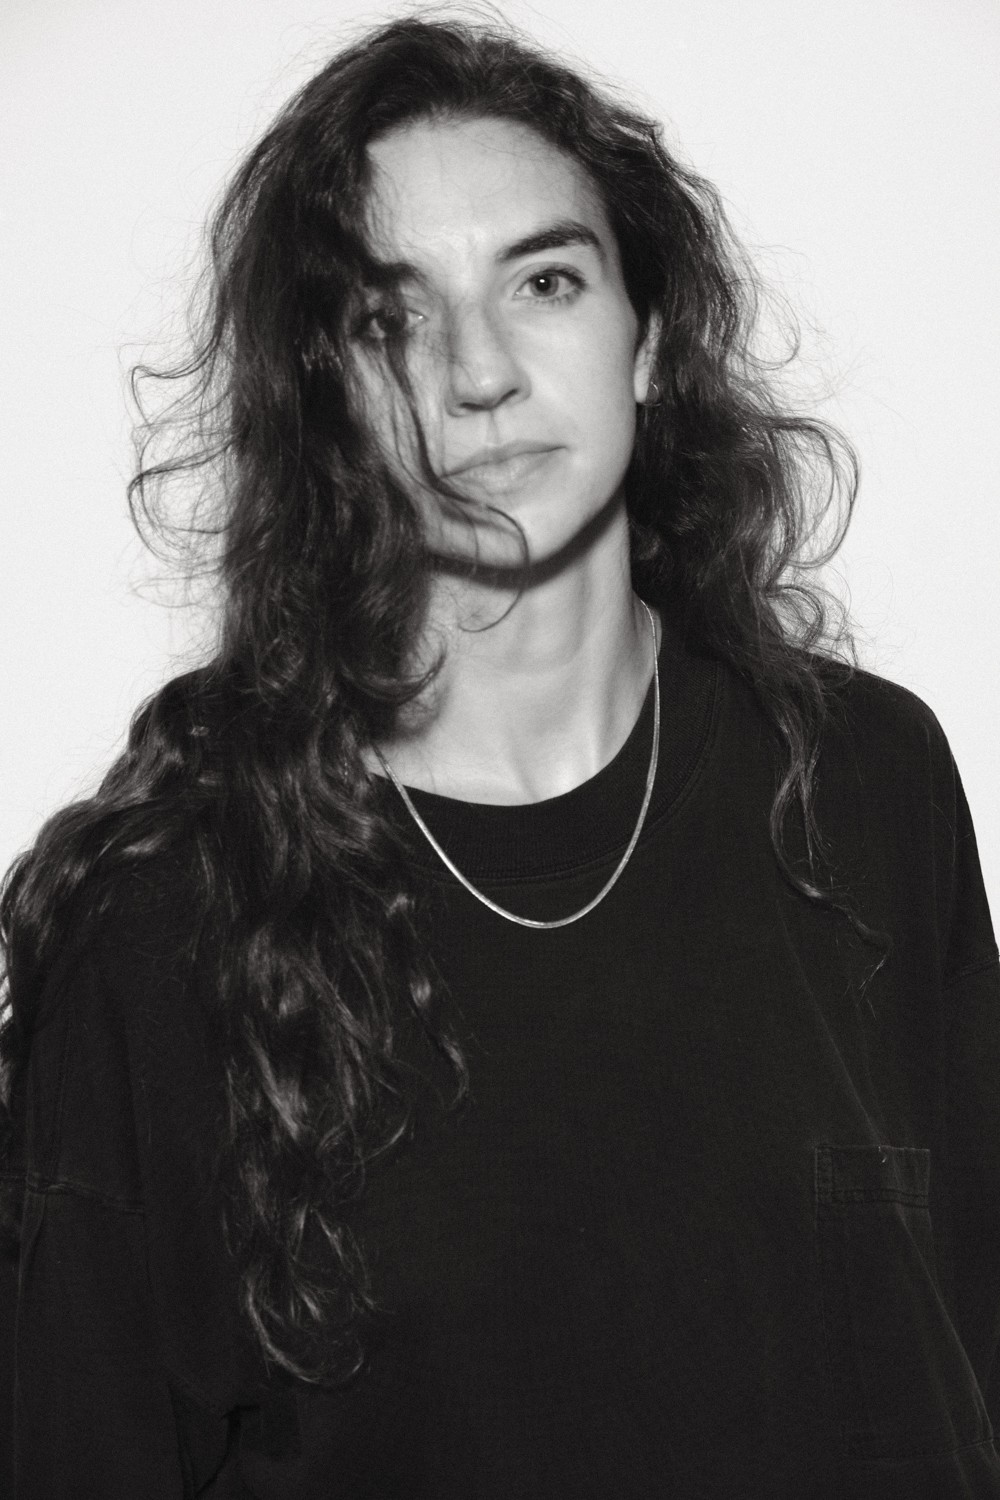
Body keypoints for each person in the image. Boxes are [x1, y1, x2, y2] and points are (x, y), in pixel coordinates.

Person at [2, 9, 998, 1497]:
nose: (478, 372)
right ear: (327, 398)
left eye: (544, 280)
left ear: (648, 337)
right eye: (388, 318)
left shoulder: (861, 780)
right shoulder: (167, 911)